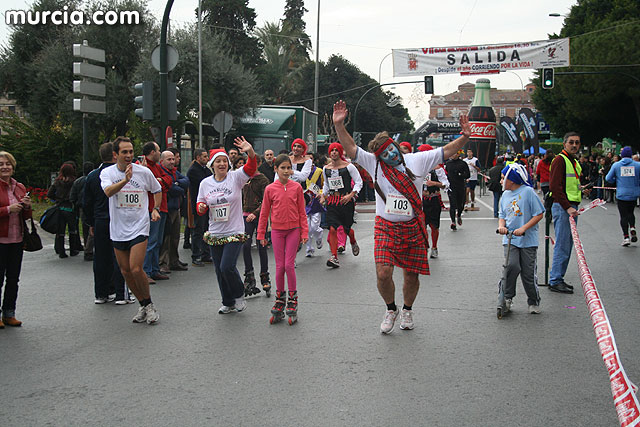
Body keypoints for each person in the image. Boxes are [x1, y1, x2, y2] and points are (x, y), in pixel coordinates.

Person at [332, 100, 471, 334]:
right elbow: (352, 148)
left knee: (411, 274)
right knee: (383, 273)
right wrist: (339, 125)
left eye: (391, 150)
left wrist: (465, 137)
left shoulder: (417, 160)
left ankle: (407, 309)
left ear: (396, 146)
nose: (390, 155)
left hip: (413, 225)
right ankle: (390, 309)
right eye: (384, 154)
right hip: (385, 225)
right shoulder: (374, 163)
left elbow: (446, 151)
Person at [100, 137, 162, 324]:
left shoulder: (143, 172)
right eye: (124, 152)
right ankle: (142, 305)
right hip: (118, 228)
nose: (128, 155)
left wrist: (155, 208)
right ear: (115, 154)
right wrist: (125, 180)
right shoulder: (107, 173)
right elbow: (108, 192)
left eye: (130, 151)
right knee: (125, 271)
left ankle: (150, 305)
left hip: (139, 226)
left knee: (136, 268)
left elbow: (157, 190)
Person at [196, 137, 257, 314]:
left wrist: (250, 151)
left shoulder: (236, 178)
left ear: (228, 163)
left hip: (235, 231)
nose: (222, 164)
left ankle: (238, 295)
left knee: (227, 266)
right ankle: (227, 301)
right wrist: (201, 207)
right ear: (212, 165)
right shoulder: (205, 183)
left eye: (224, 161)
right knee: (218, 270)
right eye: (218, 161)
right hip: (215, 232)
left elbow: (251, 168)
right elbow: (200, 204)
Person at [257, 154, 309, 324]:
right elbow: (264, 213)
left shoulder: (296, 188)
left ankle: (293, 299)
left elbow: (302, 212)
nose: (286, 171)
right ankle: (280, 299)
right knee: (279, 267)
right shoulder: (270, 189)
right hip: (277, 231)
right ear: (276, 169)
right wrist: (260, 234)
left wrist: (304, 233)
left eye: (289, 168)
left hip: (294, 229)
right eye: (283, 168)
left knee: (288, 265)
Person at [84, 142, 131, 305]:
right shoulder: (121, 174)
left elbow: (86, 202)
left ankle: (101, 293)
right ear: (115, 154)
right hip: (118, 219)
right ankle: (120, 293)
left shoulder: (92, 176)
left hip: (100, 220)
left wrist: (90, 222)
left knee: (101, 257)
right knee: (120, 256)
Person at [497, 163, 545, 314]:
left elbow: (539, 213)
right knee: (510, 267)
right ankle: (506, 298)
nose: (500, 181)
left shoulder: (528, 192)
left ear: (511, 180)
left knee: (528, 272)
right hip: (510, 239)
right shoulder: (504, 195)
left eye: (503, 178)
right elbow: (502, 215)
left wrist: (524, 228)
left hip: (527, 240)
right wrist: (502, 227)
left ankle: (533, 300)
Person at [548, 132, 590, 294]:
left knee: (567, 243)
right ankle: (556, 280)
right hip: (563, 206)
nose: (574, 145)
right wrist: (567, 207)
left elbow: (569, 184)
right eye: (571, 142)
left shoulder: (572, 161)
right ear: (564, 144)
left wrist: (582, 190)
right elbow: (555, 187)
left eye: (577, 143)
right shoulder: (560, 160)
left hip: (568, 205)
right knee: (563, 244)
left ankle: (558, 278)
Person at [0, 151, 32, 327]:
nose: (5, 167)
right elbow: (9, 209)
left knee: (13, 279)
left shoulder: (18, 186)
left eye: (8, 164)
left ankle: (9, 313)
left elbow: (26, 215)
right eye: (1, 164)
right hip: (0, 239)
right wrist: (7, 209)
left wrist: (27, 207)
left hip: (16, 239)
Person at [320, 143, 363, 267]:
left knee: (346, 228)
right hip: (332, 202)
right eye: (331, 150)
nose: (334, 152)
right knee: (332, 228)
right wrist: (323, 195)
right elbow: (326, 185)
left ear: (340, 152)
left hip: (346, 201)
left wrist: (351, 195)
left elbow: (359, 182)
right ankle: (334, 257)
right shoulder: (326, 168)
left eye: (336, 150)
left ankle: (352, 239)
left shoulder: (349, 167)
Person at [241, 157, 272, 295]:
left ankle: (264, 275)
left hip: (260, 216)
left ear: (258, 164)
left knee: (262, 245)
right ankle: (249, 275)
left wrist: (255, 213)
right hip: (244, 216)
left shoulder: (263, 180)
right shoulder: (243, 178)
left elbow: (267, 201)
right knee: (245, 245)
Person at [159, 150, 190, 272]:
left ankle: (174, 261)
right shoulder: (161, 172)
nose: (172, 162)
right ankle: (162, 262)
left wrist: (175, 184)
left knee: (175, 237)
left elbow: (186, 181)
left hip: (176, 208)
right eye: (169, 159)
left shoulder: (174, 172)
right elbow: (171, 189)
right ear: (162, 161)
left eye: (173, 159)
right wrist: (177, 186)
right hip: (167, 208)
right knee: (165, 237)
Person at [418, 144, 449, 258]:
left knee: (434, 226)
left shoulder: (438, 168)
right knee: (421, 225)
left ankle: (434, 247)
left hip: (433, 199)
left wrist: (435, 183)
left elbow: (446, 185)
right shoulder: (417, 167)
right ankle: (424, 246)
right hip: (421, 201)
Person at [606, 146, 640, 246]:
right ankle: (632, 227)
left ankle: (626, 237)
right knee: (631, 212)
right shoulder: (637, 165)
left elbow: (608, 178)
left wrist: (615, 180)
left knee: (623, 215)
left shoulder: (616, 165)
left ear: (622, 155)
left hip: (621, 194)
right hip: (633, 194)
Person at [48, 162, 83, 258]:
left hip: (60, 207)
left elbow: (49, 194)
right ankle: (73, 250)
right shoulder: (74, 182)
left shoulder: (57, 182)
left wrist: (57, 199)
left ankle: (61, 252)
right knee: (72, 230)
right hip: (70, 208)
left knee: (61, 231)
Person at [187, 148, 212, 267]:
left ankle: (206, 254)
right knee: (198, 230)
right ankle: (196, 255)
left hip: (208, 204)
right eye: (204, 156)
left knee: (206, 229)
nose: (207, 159)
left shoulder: (206, 169)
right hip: (199, 204)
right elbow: (206, 182)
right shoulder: (193, 170)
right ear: (198, 158)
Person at [70, 161, 95, 261]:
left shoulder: (77, 181)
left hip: (81, 207)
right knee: (92, 228)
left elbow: (72, 196)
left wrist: (76, 204)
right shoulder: (94, 179)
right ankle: (89, 249)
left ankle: (86, 246)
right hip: (92, 206)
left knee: (85, 227)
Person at [445, 150, 470, 230]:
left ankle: (458, 215)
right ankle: (453, 222)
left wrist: (460, 175)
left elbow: (468, 175)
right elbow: (446, 173)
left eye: (454, 154)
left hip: (460, 186)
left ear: (458, 154)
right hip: (451, 187)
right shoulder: (448, 163)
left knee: (460, 204)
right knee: (452, 204)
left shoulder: (463, 163)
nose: (452, 155)